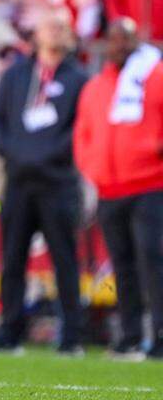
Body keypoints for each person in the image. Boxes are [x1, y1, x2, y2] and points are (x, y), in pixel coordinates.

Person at [0, 10, 88, 355]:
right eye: (50, 25)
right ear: (36, 34)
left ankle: (72, 334)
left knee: (64, 258)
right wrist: (12, 151)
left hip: (57, 180)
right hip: (19, 180)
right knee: (12, 258)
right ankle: (9, 330)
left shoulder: (77, 78)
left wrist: (49, 154)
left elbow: (80, 126)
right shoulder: (17, 75)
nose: (56, 31)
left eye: (62, 26)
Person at [74, 18, 163, 361]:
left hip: (149, 184)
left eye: (124, 39)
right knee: (122, 266)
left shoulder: (154, 77)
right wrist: (94, 167)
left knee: (153, 262)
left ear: (136, 40)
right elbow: (84, 134)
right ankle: (128, 336)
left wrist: (153, 150)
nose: (117, 46)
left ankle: (159, 334)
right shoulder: (96, 86)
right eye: (112, 39)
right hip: (111, 187)